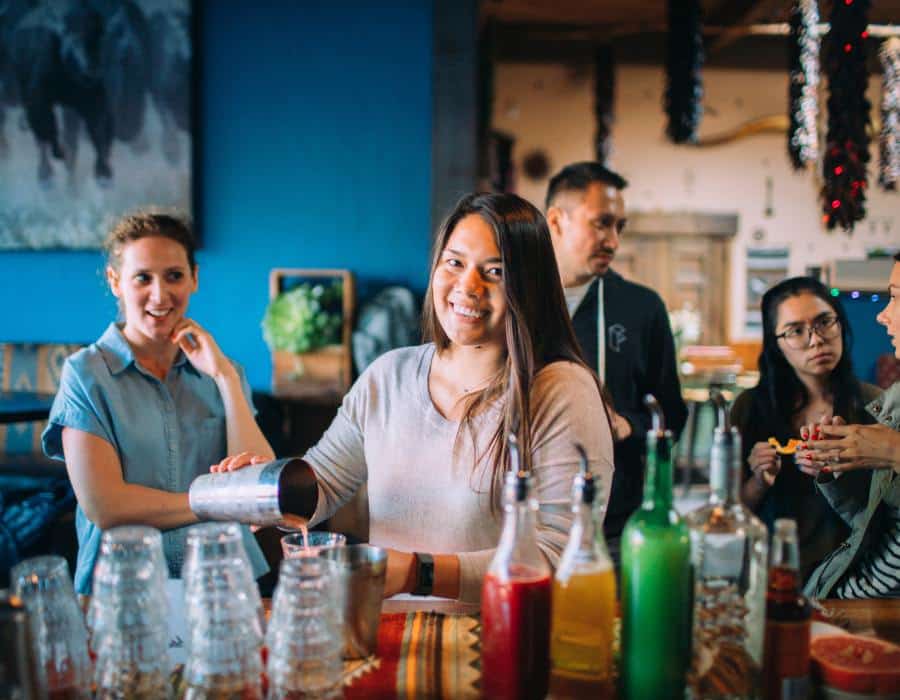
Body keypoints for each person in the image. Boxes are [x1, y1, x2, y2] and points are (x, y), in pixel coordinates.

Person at [215, 192, 614, 613]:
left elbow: (557, 556)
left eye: (494, 271)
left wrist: (418, 573)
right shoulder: (388, 376)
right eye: (454, 263)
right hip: (389, 638)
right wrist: (262, 490)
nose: (467, 286)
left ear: (529, 286)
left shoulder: (561, 392)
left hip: (502, 647)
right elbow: (324, 483)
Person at [42, 212, 273, 594]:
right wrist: (213, 502)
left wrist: (225, 379)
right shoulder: (84, 376)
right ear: (115, 282)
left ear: (195, 278)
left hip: (220, 585)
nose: (160, 294)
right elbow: (107, 507)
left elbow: (256, 487)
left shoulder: (225, 371)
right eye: (142, 278)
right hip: (123, 588)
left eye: (174, 276)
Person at [544, 161, 687, 566]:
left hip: (612, 525)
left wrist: (628, 425)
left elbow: (673, 415)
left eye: (619, 227)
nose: (613, 241)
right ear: (557, 220)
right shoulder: (512, 300)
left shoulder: (641, 307)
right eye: (601, 223)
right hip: (519, 516)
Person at [730, 277, 878, 580]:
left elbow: (887, 514)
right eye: (796, 331)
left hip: (853, 576)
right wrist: (759, 480)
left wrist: (842, 474)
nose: (816, 339)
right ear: (776, 344)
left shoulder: (875, 405)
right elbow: (731, 515)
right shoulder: (750, 408)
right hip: (772, 572)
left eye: (825, 321)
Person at [800, 253, 900, 599]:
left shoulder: (874, 400)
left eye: (896, 297)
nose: (882, 314)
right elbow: (872, 526)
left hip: (877, 609)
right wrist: (837, 471)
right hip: (843, 588)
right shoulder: (896, 401)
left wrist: (893, 451)